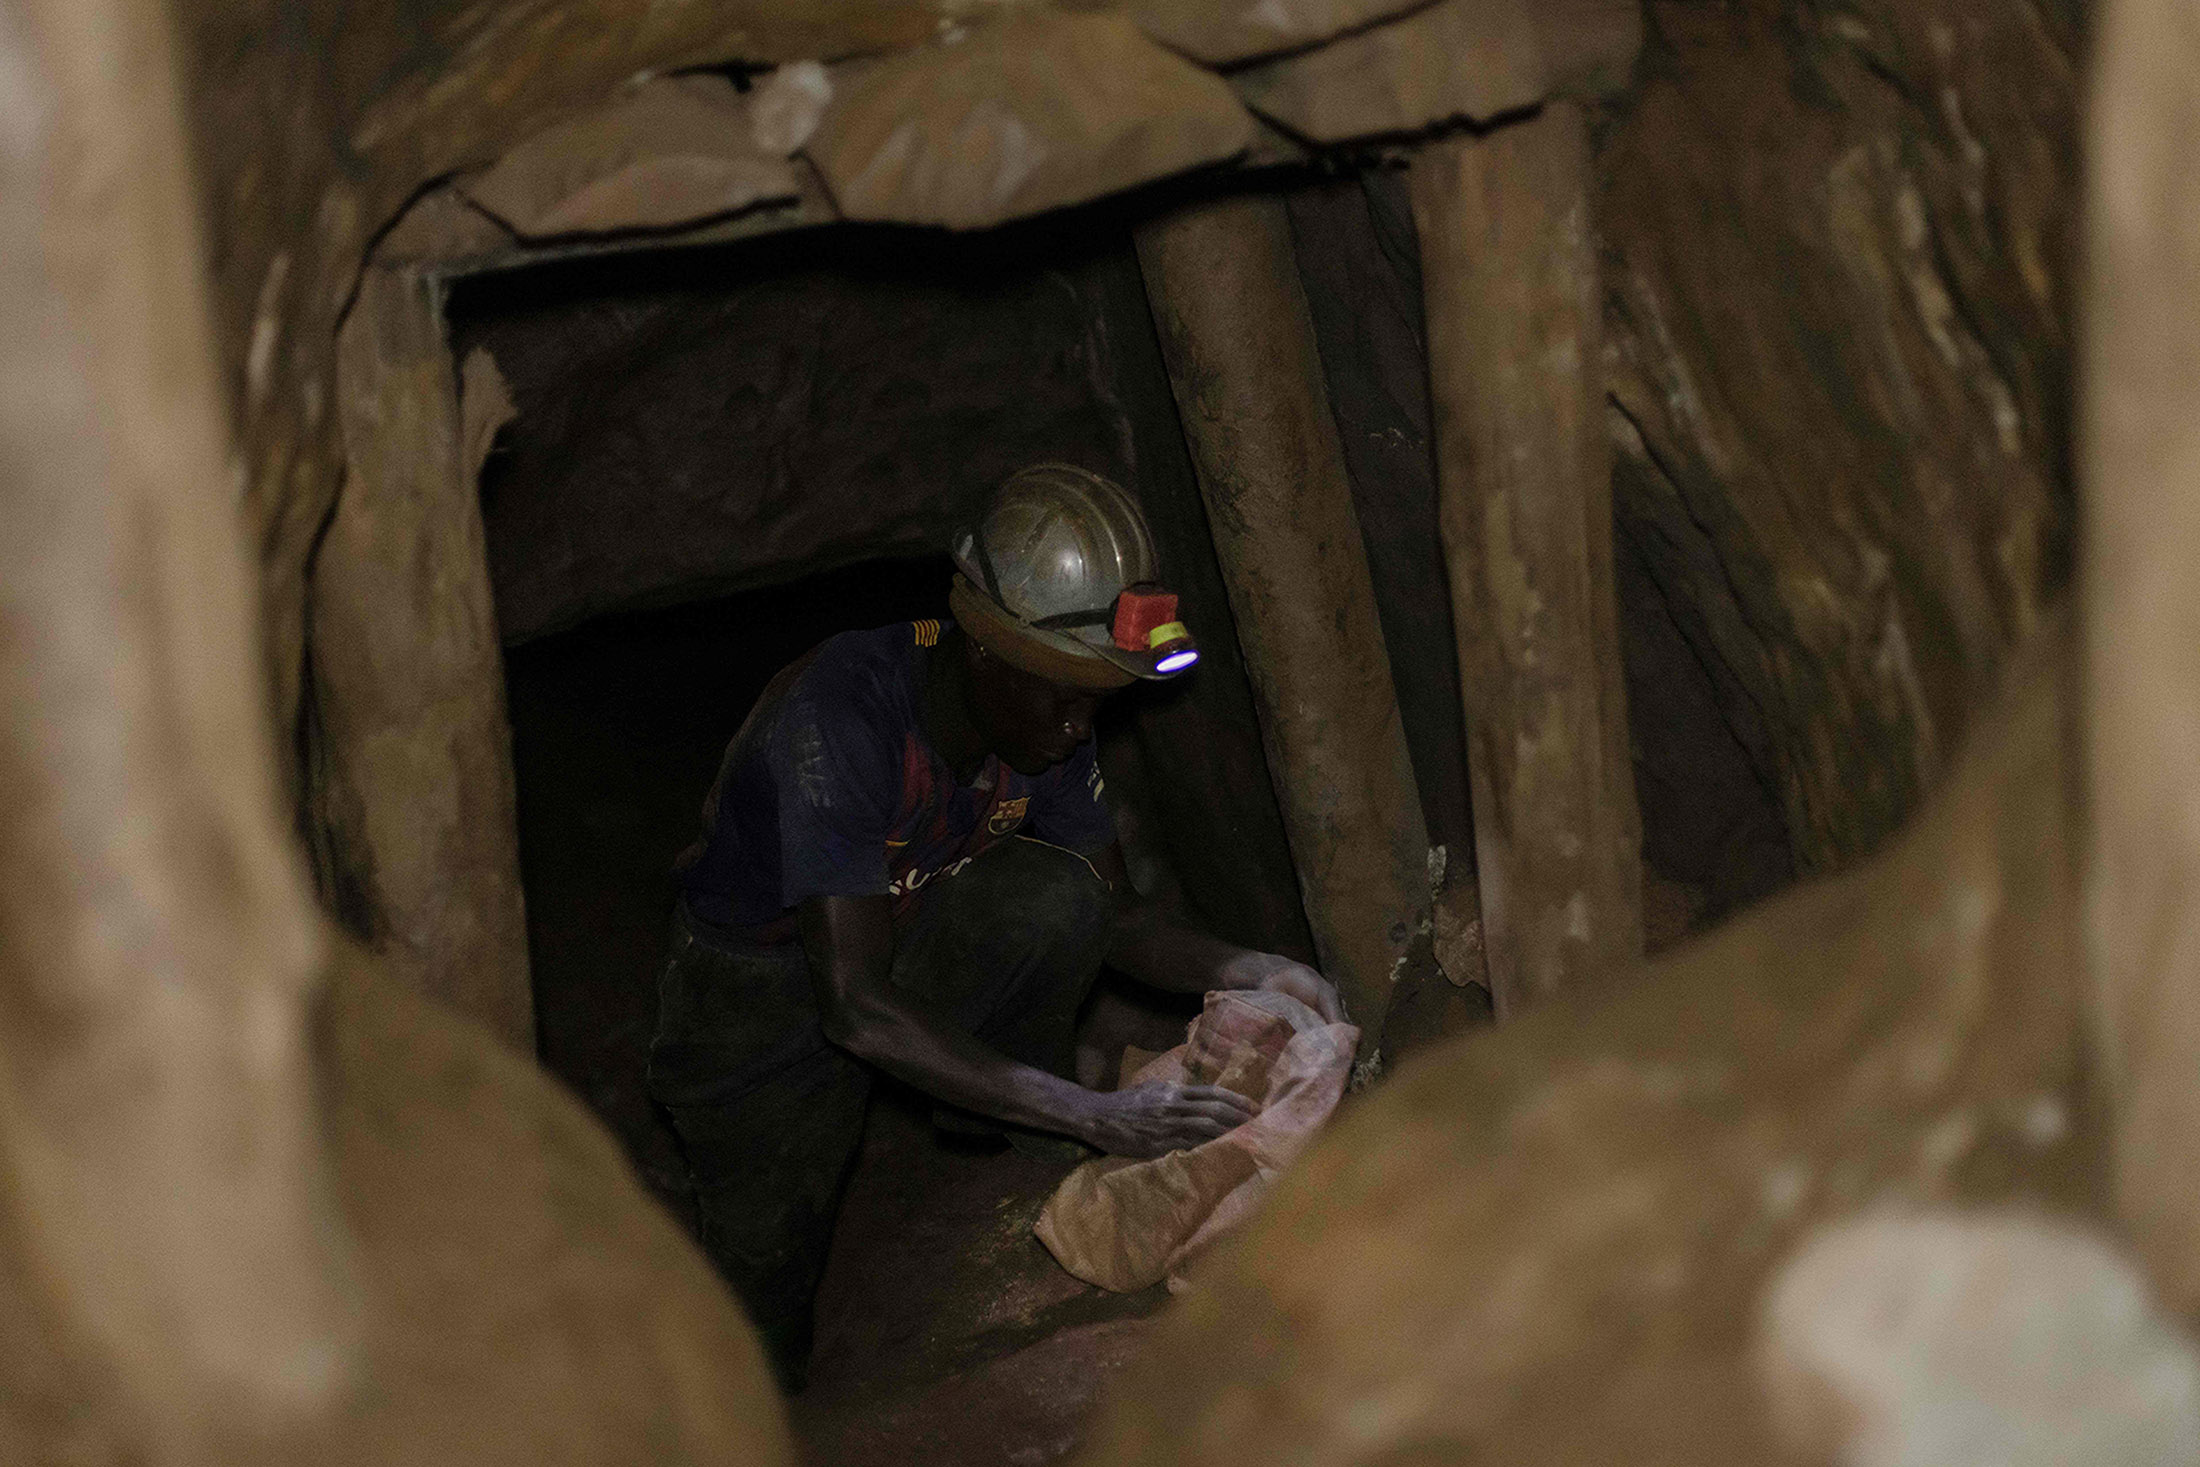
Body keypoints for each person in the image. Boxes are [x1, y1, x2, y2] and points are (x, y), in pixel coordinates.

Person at [648, 462, 1344, 1388]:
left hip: (897, 933)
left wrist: (1258, 965)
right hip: (753, 1001)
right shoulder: (838, 720)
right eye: (1063, 693)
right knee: (765, 1286)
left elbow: (1117, 915)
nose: (1076, 725)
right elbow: (852, 1007)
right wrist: (1097, 1111)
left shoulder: (1041, 723)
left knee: (1058, 897)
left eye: (1097, 697)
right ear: (985, 653)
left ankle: (997, 1131)